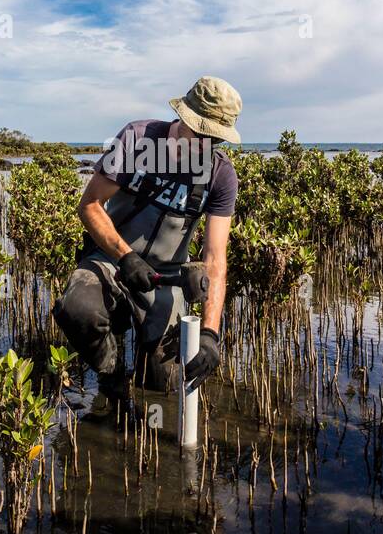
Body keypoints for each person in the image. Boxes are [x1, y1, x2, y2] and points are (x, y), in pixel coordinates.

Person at [52, 76, 241, 397]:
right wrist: (125, 257)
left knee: (161, 385)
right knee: (78, 309)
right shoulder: (136, 139)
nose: (204, 145)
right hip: (111, 261)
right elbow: (90, 205)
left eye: (215, 139)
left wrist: (210, 333)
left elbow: (215, 259)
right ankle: (111, 379)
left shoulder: (221, 175)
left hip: (166, 279)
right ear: (183, 117)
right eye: (199, 132)